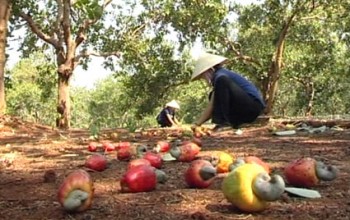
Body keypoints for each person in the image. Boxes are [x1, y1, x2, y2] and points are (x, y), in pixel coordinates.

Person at [191, 52, 265, 132]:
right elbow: (213, 104)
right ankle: (229, 122)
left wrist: (198, 123)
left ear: (210, 70)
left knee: (222, 81)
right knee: (212, 94)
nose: (205, 80)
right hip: (242, 110)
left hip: (253, 107)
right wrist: (197, 123)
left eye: (204, 76)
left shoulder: (220, 75)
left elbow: (212, 104)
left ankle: (223, 122)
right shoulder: (219, 78)